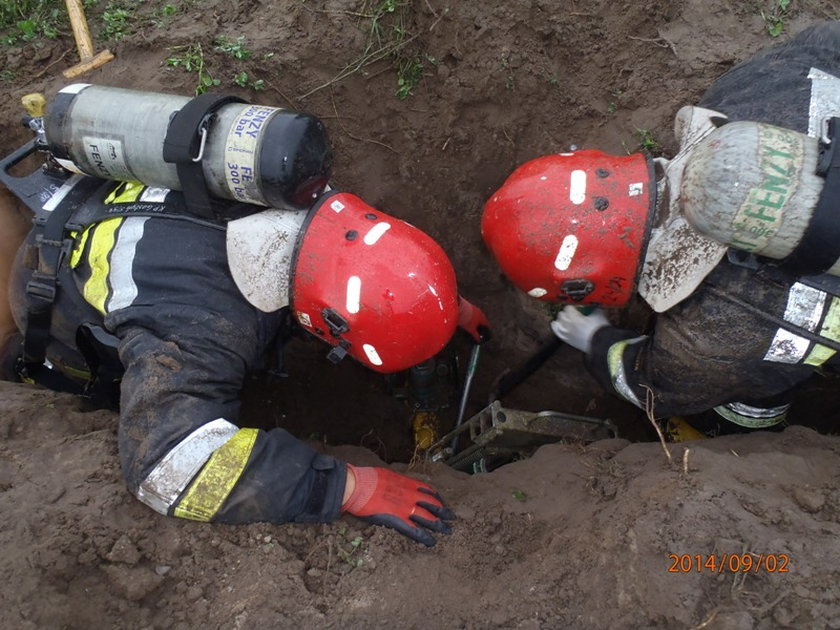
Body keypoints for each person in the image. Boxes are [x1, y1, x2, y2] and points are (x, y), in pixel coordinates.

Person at [0, 87, 490, 547]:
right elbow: (167, 468)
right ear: (328, 326)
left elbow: (377, 260)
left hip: (102, 209)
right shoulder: (204, 326)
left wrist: (444, 305)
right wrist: (349, 487)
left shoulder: (298, 187)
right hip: (55, 300)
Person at [481, 21, 840, 438]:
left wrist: (597, 341)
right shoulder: (758, 90)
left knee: (732, 410)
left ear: (587, 283)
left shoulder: (710, 334)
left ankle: (752, 433)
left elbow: (655, 388)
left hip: (754, 345)